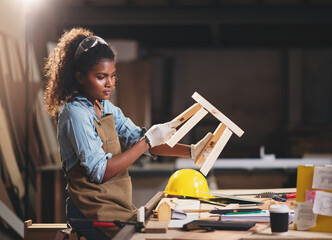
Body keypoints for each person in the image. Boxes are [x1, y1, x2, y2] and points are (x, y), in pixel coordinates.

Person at [44, 27, 212, 240]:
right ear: (80, 77)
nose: (110, 84)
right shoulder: (74, 114)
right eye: (101, 77)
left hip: (115, 205)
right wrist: (148, 140)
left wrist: (191, 151)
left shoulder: (106, 108)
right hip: (89, 211)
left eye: (112, 76)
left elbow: (140, 140)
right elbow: (100, 171)